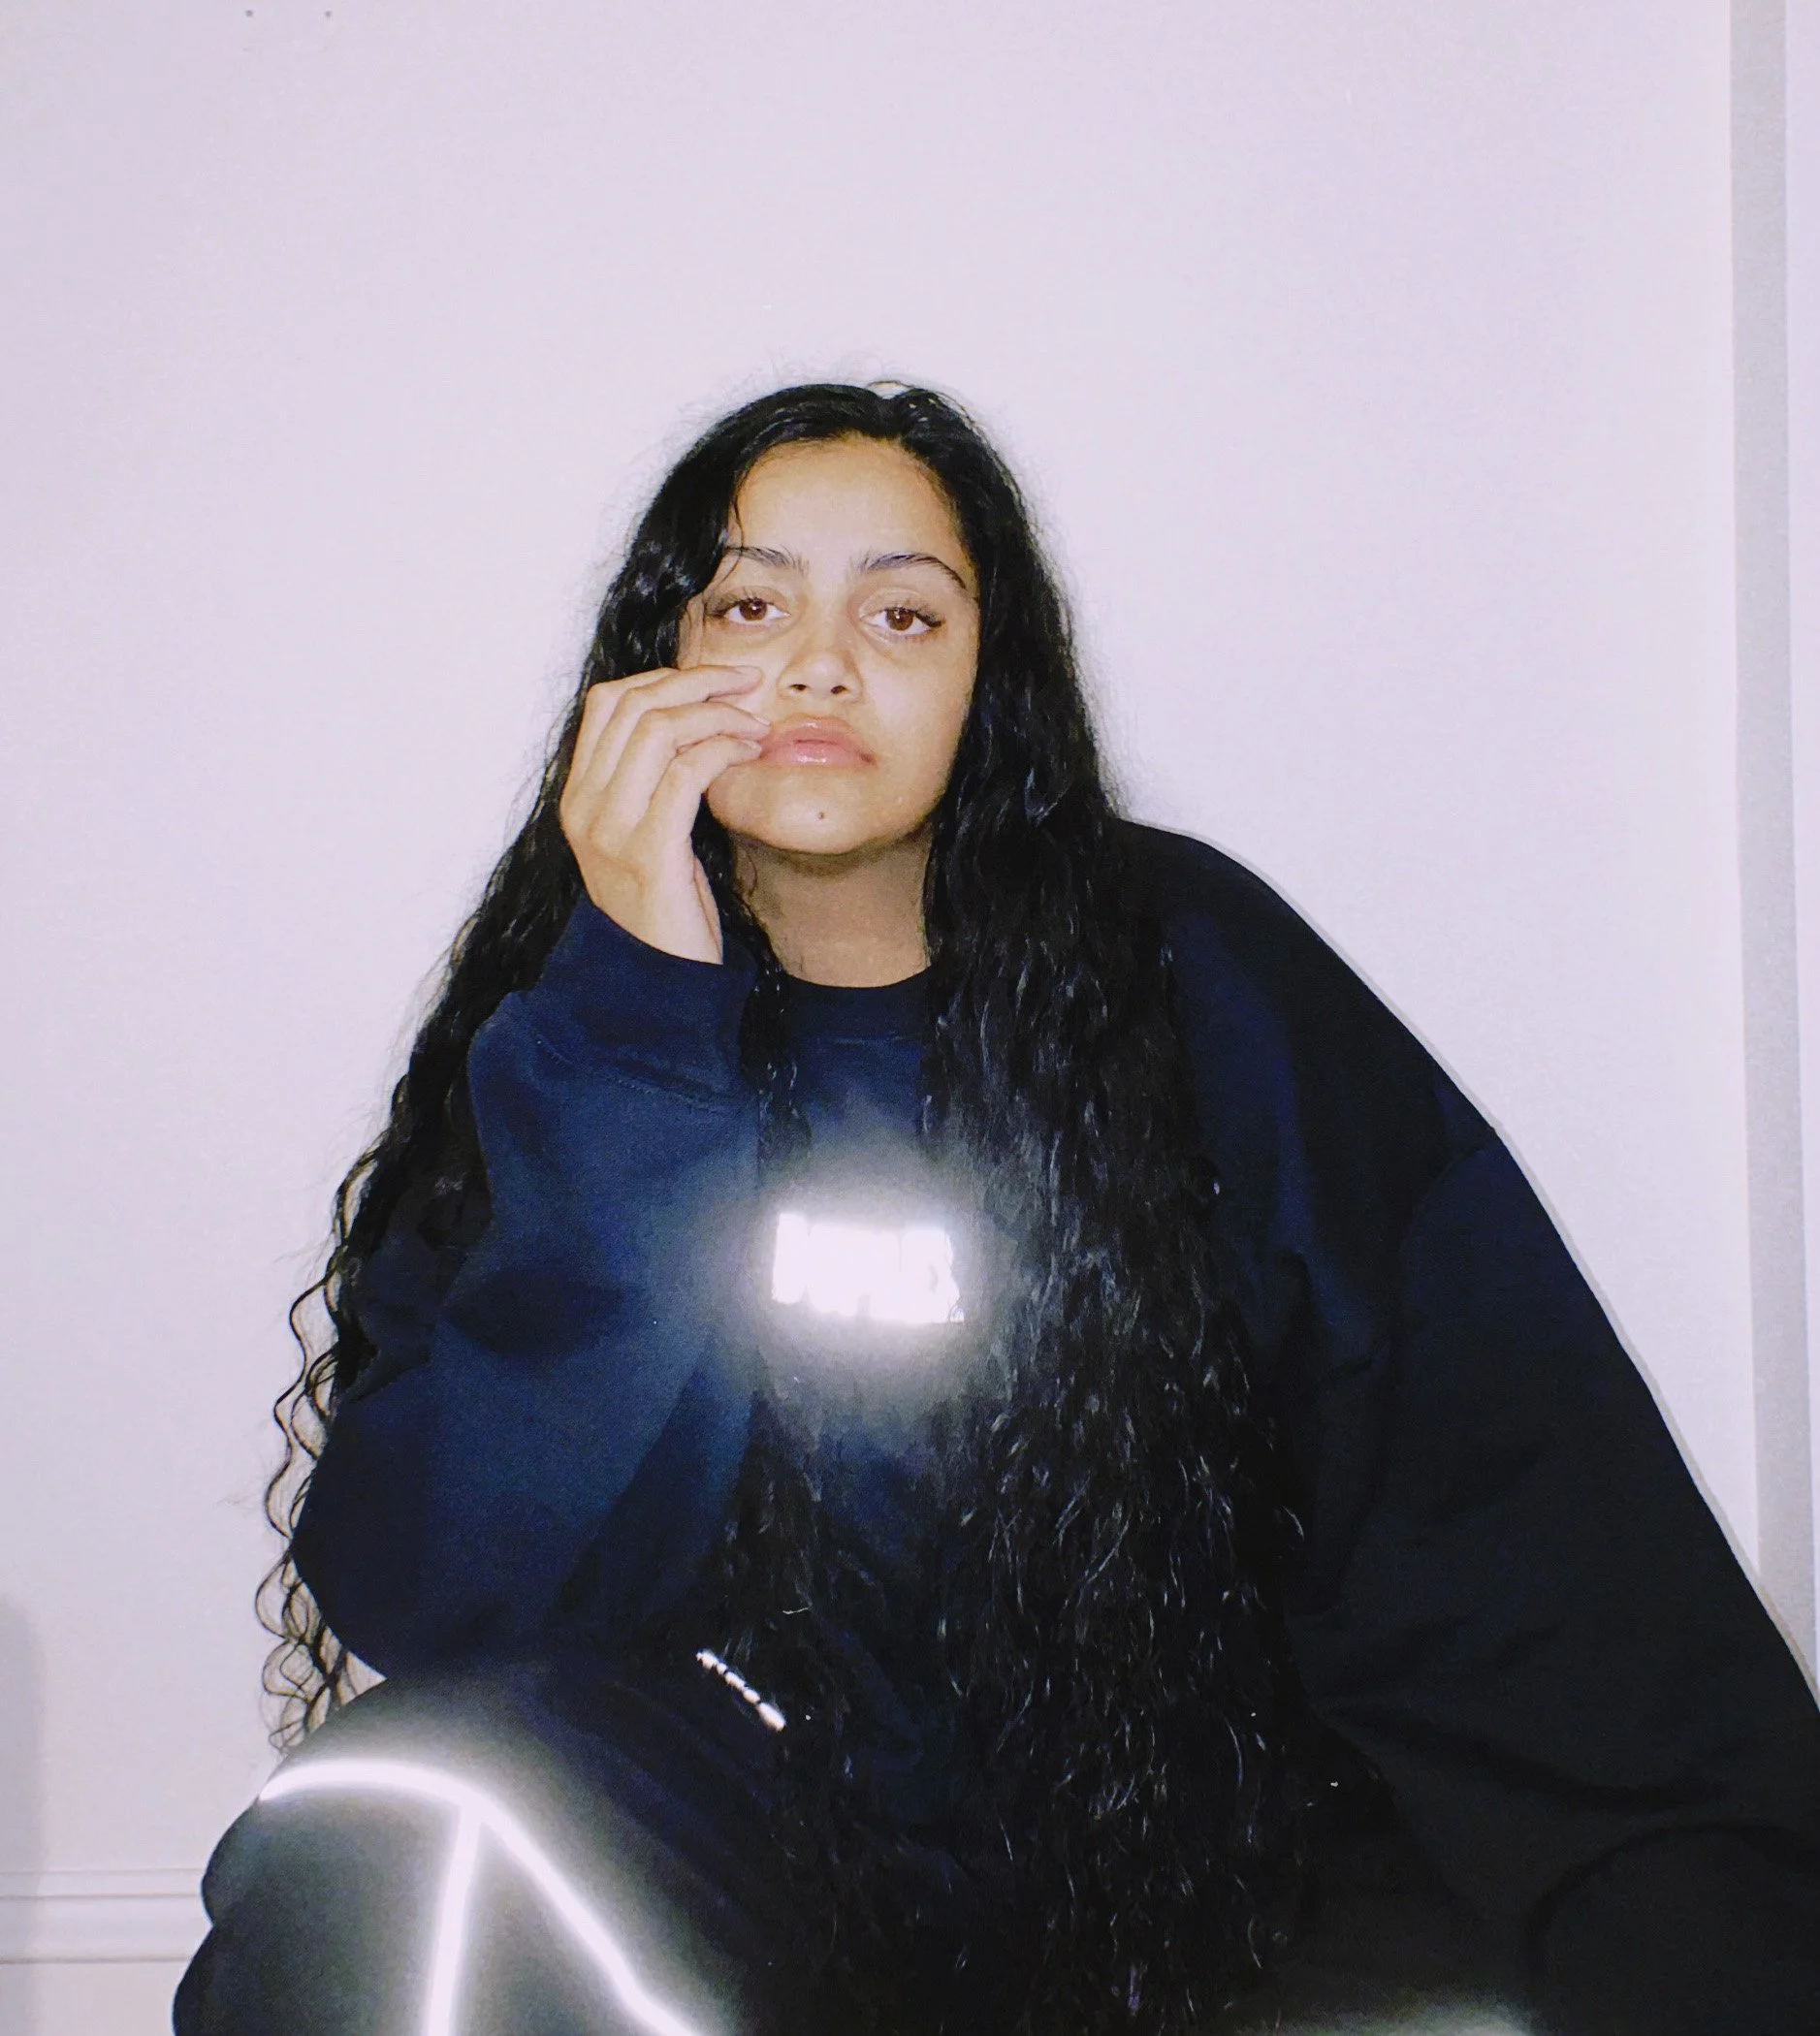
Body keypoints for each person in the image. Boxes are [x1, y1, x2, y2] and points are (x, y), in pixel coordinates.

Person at [176, 384, 1820, 2036]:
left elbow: (1507, 1517)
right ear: (656, 667)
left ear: (990, 682)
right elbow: (449, 1597)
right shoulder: (578, 1037)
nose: (820, 665)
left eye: (902, 612)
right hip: (747, 1895)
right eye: (753, 606)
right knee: (395, 1823)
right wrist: (638, 1028)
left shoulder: (1198, 988)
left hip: (1197, 1887)